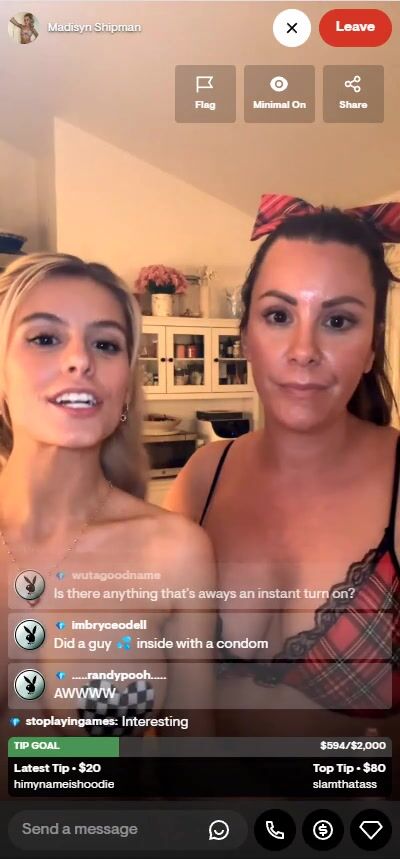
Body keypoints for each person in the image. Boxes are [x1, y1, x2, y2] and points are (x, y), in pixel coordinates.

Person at [165, 196, 400, 794]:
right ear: (245, 335)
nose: (303, 350)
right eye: (277, 315)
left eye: (338, 321)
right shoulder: (203, 476)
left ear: (372, 347)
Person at [0, 253, 216, 797]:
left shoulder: (175, 552)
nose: (80, 360)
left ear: (126, 387)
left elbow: (192, 764)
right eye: (44, 338)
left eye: (106, 344)